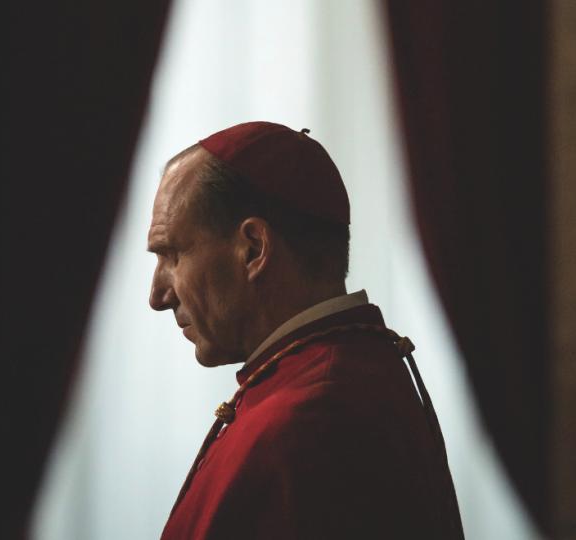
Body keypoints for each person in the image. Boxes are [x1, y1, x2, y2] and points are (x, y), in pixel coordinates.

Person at [148, 121, 464, 539]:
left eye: (172, 254)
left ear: (254, 249)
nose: (157, 295)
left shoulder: (303, 425)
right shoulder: (351, 371)